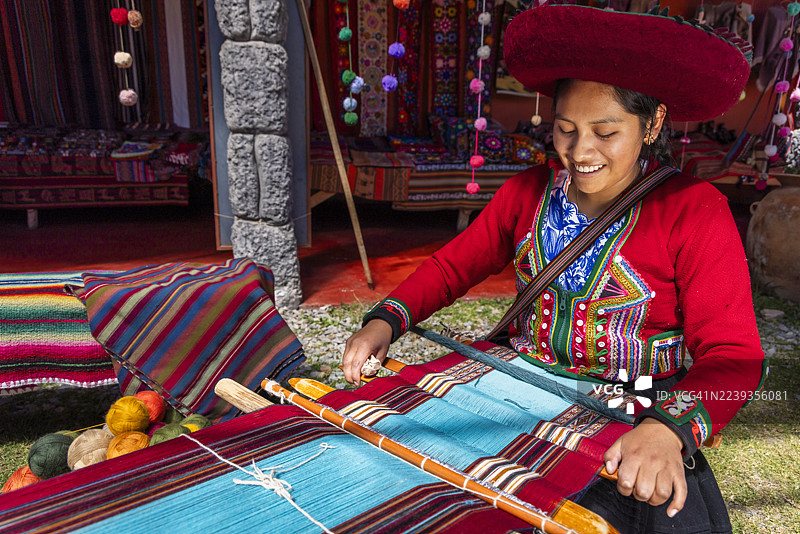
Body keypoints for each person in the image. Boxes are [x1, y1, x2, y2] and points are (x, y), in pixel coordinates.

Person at [342, 4, 767, 533]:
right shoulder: (527, 192)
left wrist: (665, 431)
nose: (579, 151)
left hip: (632, 413)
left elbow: (734, 355)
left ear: (652, 122)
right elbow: (456, 264)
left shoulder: (694, 211)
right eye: (566, 129)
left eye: (605, 132)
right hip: (515, 389)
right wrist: (388, 318)